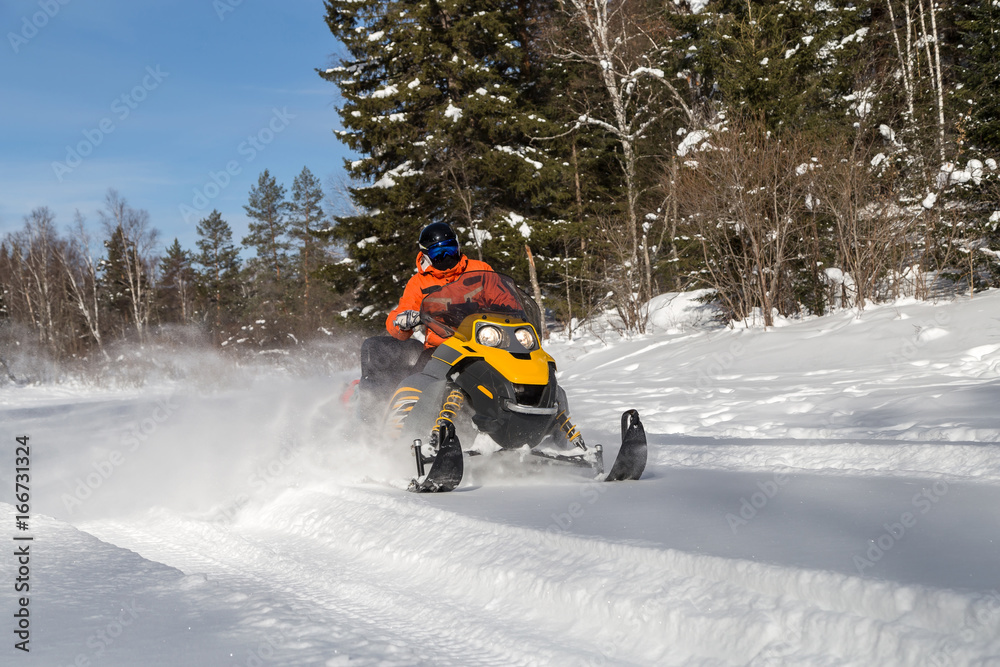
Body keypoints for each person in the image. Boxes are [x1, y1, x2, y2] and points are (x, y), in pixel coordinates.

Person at [358, 222, 493, 407]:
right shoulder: (419, 283)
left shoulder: (480, 270)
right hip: (441, 347)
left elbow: (502, 296)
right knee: (419, 386)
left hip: (484, 342)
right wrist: (402, 322)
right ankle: (406, 417)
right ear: (427, 255)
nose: (446, 257)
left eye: (450, 250)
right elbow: (401, 315)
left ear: (458, 246)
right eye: (438, 253)